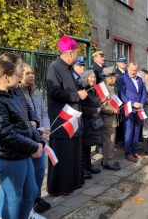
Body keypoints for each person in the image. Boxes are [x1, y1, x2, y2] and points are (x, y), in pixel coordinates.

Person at [0, 60, 44, 219]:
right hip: (7, 155)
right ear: (6, 77)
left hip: (22, 152)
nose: (19, 76)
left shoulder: (12, 95)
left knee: (31, 191)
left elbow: (26, 122)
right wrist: (33, 146)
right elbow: (6, 134)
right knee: (14, 197)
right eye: (16, 74)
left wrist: (38, 141)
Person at [46, 35, 87, 195]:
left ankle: (73, 182)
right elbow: (55, 92)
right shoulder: (54, 67)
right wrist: (77, 95)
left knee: (72, 153)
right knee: (63, 154)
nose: (77, 56)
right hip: (61, 119)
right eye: (76, 53)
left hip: (72, 117)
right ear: (70, 53)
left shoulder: (67, 68)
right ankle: (60, 187)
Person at [20, 63, 52, 214]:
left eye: (32, 72)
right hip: (27, 137)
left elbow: (44, 113)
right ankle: (29, 200)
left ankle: (37, 197)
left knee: (40, 169)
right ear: (19, 75)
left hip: (40, 137)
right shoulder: (17, 93)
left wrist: (45, 128)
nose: (31, 75)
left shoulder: (37, 92)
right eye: (27, 73)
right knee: (29, 172)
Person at [117, 62, 147, 162]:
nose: (133, 72)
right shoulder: (123, 79)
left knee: (137, 131)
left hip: (139, 109)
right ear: (128, 68)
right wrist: (133, 103)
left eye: (135, 70)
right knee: (129, 131)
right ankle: (128, 153)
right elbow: (121, 94)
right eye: (131, 70)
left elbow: (143, 92)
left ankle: (135, 151)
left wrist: (141, 103)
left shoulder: (139, 79)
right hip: (128, 109)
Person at [79, 70, 102, 178]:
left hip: (91, 122)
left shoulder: (92, 90)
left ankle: (88, 165)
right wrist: (94, 110)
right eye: (90, 77)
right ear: (85, 78)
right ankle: (82, 169)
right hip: (85, 122)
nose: (93, 79)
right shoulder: (84, 90)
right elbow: (82, 108)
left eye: (94, 77)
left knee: (88, 146)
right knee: (84, 146)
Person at [100, 66, 121, 170]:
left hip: (112, 117)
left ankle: (108, 160)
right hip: (107, 117)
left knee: (110, 140)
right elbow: (100, 106)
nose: (116, 78)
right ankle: (108, 162)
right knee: (109, 141)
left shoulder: (111, 86)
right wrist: (113, 110)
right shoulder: (103, 88)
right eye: (114, 76)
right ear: (110, 77)